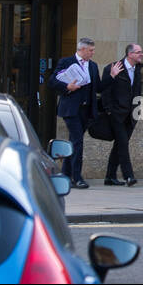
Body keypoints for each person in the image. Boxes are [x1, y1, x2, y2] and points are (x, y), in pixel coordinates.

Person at [48, 37, 100, 189]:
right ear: (82, 49)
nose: (93, 53)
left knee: (73, 142)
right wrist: (67, 87)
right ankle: (77, 177)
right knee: (78, 141)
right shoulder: (66, 62)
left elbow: (98, 86)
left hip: (86, 109)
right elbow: (52, 81)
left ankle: (65, 175)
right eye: (90, 50)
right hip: (71, 109)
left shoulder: (93, 66)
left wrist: (112, 76)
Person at [98, 43, 143, 187]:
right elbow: (105, 91)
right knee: (123, 144)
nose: (141, 54)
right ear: (129, 54)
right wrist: (109, 110)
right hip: (116, 114)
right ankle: (129, 176)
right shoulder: (113, 68)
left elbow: (138, 92)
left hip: (131, 115)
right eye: (138, 52)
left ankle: (109, 177)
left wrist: (139, 112)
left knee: (119, 145)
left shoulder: (138, 70)